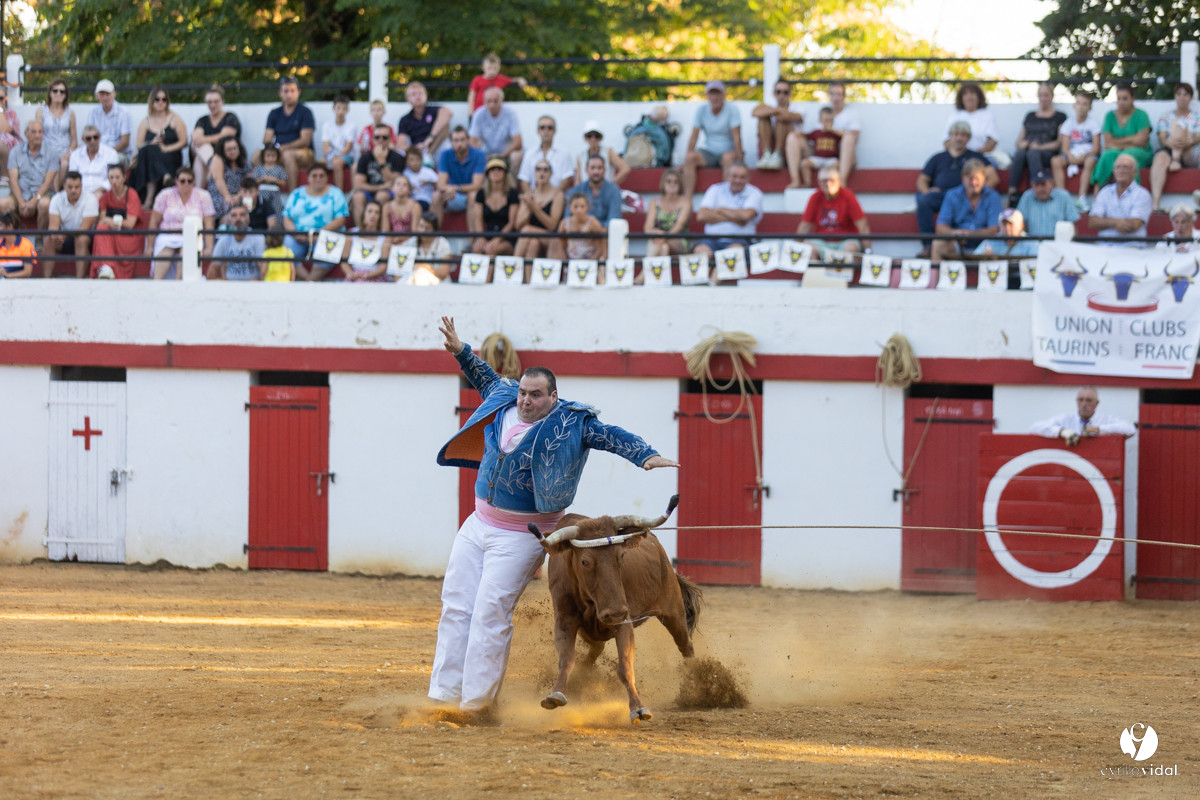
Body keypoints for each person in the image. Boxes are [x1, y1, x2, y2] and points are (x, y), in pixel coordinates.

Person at [429, 316, 677, 716]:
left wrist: (644, 454)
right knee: (456, 604)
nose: (525, 401)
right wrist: (461, 349)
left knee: (491, 609)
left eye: (536, 395)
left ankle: (475, 705)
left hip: (524, 533)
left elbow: (610, 435)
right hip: (477, 524)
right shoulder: (504, 397)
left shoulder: (572, 422)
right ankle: (442, 696)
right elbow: (482, 374)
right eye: (523, 393)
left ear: (554, 397)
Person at [915, 122, 996, 255]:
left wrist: (978, 192)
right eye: (956, 134)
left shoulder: (976, 157)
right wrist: (927, 191)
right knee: (923, 200)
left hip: (966, 196)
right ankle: (928, 245)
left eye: (963, 135)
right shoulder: (938, 158)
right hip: (942, 197)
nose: (959, 138)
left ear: (968, 138)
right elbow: (922, 180)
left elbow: (993, 177)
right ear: (950, 137)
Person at [144, 166, 215, 280]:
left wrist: (209, 247)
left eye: (189, 181)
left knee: (186, 254)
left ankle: (178, 286)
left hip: (192, 237)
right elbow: (154, 222)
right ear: (176, 181)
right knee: (164, 255)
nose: (186, 184)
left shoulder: (203, 196)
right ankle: (156, 285)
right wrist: (149, 246)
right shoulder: (165, 195)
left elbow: (209, 224)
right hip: (167, 235)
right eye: (182, 181)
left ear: (194, 181)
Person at [280, 162, 348, 279]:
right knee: (286, 250)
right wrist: (295, 234)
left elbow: (341, 219)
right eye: (314, 175)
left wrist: (319, 233)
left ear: (327, 177)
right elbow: (286, 217)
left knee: (329, 246)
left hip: (326, 234)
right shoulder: (297, 193)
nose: (318, 179)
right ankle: (309, 281)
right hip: (299, 235)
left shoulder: (336, 193)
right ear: (308, 178)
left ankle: (311, 280)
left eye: (322, 176)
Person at [1089, 83, 1152, 201]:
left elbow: (1142, 141)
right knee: (1107, 155)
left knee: (1126, 157)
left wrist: (1117, 142)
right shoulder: (1109, 116)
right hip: (1116, 152)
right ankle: (1097, 196)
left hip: (1140, 153)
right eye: (1119, 99)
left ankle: (1133, 198)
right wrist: (1132, 139)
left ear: (1133, 99)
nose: (1121, 102)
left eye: (1125, 98)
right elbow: (1107, 143)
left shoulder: (1141, 115)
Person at [932, 158, 1002, 263]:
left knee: (998, 246)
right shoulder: (952, 195)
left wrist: (970, 234)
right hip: (958, 244)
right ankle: (937, 280)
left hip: (985, 244)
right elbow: (940, 227)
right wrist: (955, 233)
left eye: (977, 179)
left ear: (984, 179)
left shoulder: (993, 196)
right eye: (970, 178)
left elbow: (995, 229)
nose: (973, 182)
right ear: (962, 179)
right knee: (938, 243)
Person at [1008, 82, 1066, 207]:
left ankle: (1038, 188)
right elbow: (1018, 142)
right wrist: (1023, 144)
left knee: (1033, 153)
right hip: (1028, 152)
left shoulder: (1060, 116)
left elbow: (1058, 143)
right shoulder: (1030, 116)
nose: (1043, 98)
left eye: (1046, 95)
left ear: (1052, 96)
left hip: (1047, 153)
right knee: (1020, 153)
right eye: (1041, 95)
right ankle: (1011, 192)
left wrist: (1039, 147)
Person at [692, 161, 763, 263]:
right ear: (727, 176)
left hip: (740, 241)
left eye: (742, 177)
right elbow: (702, 216)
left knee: (732, 253)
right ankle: (704, 279)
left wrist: (720, 209)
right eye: (734, 176)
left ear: (748, 178)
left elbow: (746, 216)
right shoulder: (715, 189)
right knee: (700, 252)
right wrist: (736, 219)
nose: (737, 180)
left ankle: (712, 280)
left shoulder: (755, 193)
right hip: (711, 240)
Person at [796, 164, 872, 256]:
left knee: (850, 248)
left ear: (839, 181)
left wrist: (868, 251)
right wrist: (795, 247)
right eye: (824, 181)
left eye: (831, 180)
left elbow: (862, 225)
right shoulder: (815, 197)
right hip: (822, 242)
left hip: (845, 241)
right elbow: (805, 226)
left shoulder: (848, 196)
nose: (827, 184)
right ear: (819, 182)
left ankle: (843, 271)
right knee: (807, 248)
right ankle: (817, 271)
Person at [682, 80, 742, 197]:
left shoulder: (732, 110)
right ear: (707, 96)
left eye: (718, 93)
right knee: (690, 158)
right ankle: (687, 199)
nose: (714, 97)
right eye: (711, 94)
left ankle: (727, 197)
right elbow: (694, 137)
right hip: (708, 152)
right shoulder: (701, 110)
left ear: (724, 95)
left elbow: (737, 137)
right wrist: (685, 160)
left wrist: (740, 161)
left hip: (727, 152)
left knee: (728, 157)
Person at [131, 86, 189, 206]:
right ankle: (165, 176)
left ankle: (149, 199)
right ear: (152, 101)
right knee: (150, 150)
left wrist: (166, 148)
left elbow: (184, 142)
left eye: (164, 99)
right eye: (157, 99)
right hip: (151, 158)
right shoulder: (145, 121)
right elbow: (139, 145)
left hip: (170, 157)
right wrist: (152, 144)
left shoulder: (175, 119)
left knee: (151, 153)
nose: (161, 102)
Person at [256, 78, 316, 192]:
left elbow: (305, 141)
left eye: (292, 91)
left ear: (299, 91)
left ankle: (292, 196)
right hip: (279, 151)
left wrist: (283, 148)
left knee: (288, 155)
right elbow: (267, 139)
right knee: (256, 155)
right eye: (286, 91)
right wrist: (270, 149)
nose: (289, 94)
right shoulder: (274, 113)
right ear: (280, 93)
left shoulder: (305, 112)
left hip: (303, 152)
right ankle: (257, 196)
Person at [1150, 82, 1200, 212]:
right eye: (1179, 94)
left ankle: (1176, 160)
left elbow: (1198, 136)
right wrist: (1172, 144)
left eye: (1185, 94)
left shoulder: (1197, 116)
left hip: (1189, 151)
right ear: (1175, 96)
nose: (1182, 97)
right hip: (1169, 149)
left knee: (1179, 125)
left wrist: (1186, 142)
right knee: (1160, 159)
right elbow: (1162, 139)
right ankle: (1155, 205)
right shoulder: (1165, 116)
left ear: (1191, 98)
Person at [91, 163, 144, 279]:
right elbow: (101, 222)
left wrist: (110, 220)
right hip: (111, 234)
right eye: (111, 177)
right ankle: (107, 267)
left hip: (129, 237)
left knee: (102, 234)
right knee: (101, 230)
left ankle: (107, 266)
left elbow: (130, 224)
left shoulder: (131, 194)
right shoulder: (105, 197)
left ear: (124, 178)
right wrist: (110, 222)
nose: (114, 181)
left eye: (117, 177)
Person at [1029, 387, 1136, 445]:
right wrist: (1061, 432)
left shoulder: (1105, 419)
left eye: (1088, 400)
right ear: (1076, 401)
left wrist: (1099, 429)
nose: (1084, 404)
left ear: (1096, 403)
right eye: (1081, 400)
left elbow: (1130, 429)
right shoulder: (1066, 419)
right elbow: (1034, 428)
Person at [1052, 91, 1101, 210]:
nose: (1081, 107)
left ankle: (1081, 198)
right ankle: (1063, 198)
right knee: (1055, 161)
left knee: (1090, 162)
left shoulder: (1094, 124)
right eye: (1078, 103)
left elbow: (1096, 148)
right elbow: (1064, 147)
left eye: (1085, 104)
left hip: (1088, 155)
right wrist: (1070, 156)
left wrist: (1083, 157)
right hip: (1072, 155)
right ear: (1074, 105)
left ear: (1090, 108)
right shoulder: (1068, 124)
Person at [1088, 153, 1152, 246]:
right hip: (1104, 247)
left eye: (1125, 167)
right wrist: (1115, 222)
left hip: (1131, 248)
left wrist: (1105, 221)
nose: (1121, 171)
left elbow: (1134, 225)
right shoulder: (1105, 191)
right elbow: (1093, 222)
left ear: (1135, 172)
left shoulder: (1142, 194)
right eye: (1117, 167)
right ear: (1113, 171)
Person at [45, 171, 98, 279]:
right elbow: (53, 226)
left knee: (81, 239)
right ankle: (46, 280)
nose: (73, 190)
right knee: (49, 240)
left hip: (87, 239)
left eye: (77, 187)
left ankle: (79, 281)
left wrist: (64, 234)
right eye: (70, 187)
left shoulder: (91, 199)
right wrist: (56, 235)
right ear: (64, 186)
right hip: (65, 238)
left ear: (81, 186)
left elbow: (85, 228)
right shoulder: (56, 199)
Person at [5, 120, 58, 227]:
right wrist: (21, 202)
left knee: (45, 204)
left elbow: (48, 183)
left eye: (40, 132)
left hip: (42, 195)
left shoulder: (52, 153)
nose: (38, 135)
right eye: (34, 132)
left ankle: (39, 238)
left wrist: (33, 201)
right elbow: (13, 181)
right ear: (26, 134)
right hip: (20, 194)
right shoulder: (15, 152)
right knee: (2, 204)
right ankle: (10, 238)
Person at [351, 124, 406, 226]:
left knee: (382, 196)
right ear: (372, 139)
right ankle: (362, 230)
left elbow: (394, 183)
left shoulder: (397, 157)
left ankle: (379, 230)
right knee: (358, 197)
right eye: (377, 137)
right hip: (371, 190)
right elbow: (358, 184)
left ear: (390, 139)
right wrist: (380, 187)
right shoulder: (365, 158)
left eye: (384, 137)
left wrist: (382, 162)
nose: (381, 140)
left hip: (388, 192)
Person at [190, 84, 241, 190]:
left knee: (199, 157)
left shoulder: (230, 117)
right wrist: (199, 138)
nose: (212, 105)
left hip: (226, 156)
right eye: (209, 102)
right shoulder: (203, 120)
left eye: (216, 101)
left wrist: (205, 139)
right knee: (199, 151)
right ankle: (212, 168)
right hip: (206, 156)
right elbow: (196, 136)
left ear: (222, 101)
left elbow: (225, 136)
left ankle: (200, 188)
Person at [513, 159, 564, 264]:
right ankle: (528, 280)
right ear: (534, 173)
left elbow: (552, 225)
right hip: (533, 237)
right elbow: (518, 225)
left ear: (551, 174)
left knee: (527, 229)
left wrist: (535, 208)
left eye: (546, 170)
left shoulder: (558, 195)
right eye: (539, 169)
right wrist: (529, 210)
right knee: (533, 244)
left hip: (550, 238)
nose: (542, 172)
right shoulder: (529, 194)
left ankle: (513, 265)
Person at [469, 157, 519, 261]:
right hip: (488, 233)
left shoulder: (513, 194)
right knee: (476, 249)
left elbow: (511, 222)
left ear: (505, 173)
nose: (496, 172)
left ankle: (488, 278)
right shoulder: (481, 194)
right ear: (487, 174)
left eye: (499, 169)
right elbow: (477, 218)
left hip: (507, 237)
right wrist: (481, 237)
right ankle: (475, 277)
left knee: (491, 250)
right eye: (492, 169)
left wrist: (497, 240)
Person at [943, 82, 1003, 168]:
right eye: (965, 94)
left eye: (972, 93)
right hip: (957, 157)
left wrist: (973, 155)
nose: (969, 97)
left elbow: (992, 141)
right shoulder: (955, 115)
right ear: (961, 98)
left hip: (981, 157)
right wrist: (960, 154)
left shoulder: (987, 115)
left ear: (979, 97)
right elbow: (946, 141)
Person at [434, 127, 487, 223]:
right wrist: (449, 189)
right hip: (452, 194)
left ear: (468, 140)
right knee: (436, 196)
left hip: (471, 194)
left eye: (462, 140)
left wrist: (456, 188)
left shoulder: (479, 155)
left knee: (473, 196)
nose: (459, 144)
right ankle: (432, 236)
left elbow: (477, 185)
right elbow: (440, 183)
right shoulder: (445, 155)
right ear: (451, 142)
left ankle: (473, 237)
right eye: (456, 140)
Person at [469, 87, 523, 175]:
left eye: (495, 101)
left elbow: (518, 143)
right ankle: (480, 187)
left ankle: (512, 187)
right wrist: (483, 156)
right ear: (484, 101)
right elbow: (472, 142)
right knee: (473, 156)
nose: (492, 105)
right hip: (485, 155)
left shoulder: (511, 114)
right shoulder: (478, 114)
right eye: (489, 101)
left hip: (506, 154)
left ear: (502, 100)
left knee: (516, 157)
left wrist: (500, 157)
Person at [752, 79, 803, 171]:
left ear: (790, 94)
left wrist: (773, 111)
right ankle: (767, 154)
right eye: (778, 92)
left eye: (785, 92)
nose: (781, 95)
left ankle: (777, 154)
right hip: (770, 145)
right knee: (763, 119)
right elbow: (754, 112)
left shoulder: (798, 107)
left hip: (788, 149)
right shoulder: (771, 106)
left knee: (781, 121)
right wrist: (777, 110)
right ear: (774, 93)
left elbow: (788, 116)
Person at [547, 193, 607, 269]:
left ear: (587, 207)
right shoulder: (564, 224)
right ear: (570, 208)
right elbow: (561, 246)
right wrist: (566, 264)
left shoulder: (593, 223)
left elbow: (600, 248)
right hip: (571, 264)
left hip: (590, 264)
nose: (579, 210)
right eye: (575, 207)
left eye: (582, 207)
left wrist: (590, 264)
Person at [516, 115, 575, 192]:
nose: (546, 131)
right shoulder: (529, 154)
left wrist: (551, 198)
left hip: (557, 199)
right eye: (542, 127)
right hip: (534, 198)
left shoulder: (564, 153)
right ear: (538, 131)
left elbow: (566, 180)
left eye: (549, 128)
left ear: (555, 131)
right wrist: (530, 197)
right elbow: (524, 179)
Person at [1016, 169, 1080, 238]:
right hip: (1033, 244)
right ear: (1032, 185)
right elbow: (1020, 223)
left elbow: (1072, 224)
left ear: (1052, 184)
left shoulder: (1063, 196)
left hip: (1058, 245)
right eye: (1037, 185)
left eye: (1043, 184)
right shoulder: (1027, 197)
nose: (1040, 189)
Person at [35, 79, 76, 185]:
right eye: (55, 91)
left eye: (62, 91)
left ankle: (60, 192)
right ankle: (56, 196)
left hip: (64, 152)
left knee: (64, 164)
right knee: (53, 164)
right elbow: (37, 134)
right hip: (46, 150)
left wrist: (68, 153)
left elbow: (74, 139)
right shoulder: (41, 111)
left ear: (66, 95)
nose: (58, 94)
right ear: (50, 93)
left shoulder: (70, 113)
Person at [643, 168, 690, 257]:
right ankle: (657, 270)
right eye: (669, 181)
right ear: (663, 183)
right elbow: (648, 226)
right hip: (658, 239)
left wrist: (665, 236)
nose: (672, 184)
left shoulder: (685, 202)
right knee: (664, 247)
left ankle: (645, 270)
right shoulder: (654, 202)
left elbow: (680, 225)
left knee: (660, 244)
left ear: (680, 185)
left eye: (676, 182)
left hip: (677, 239)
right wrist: (655, 233)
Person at [211, 203, 265, 281]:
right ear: (229, 221)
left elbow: (263, 269)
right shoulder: (224, 238)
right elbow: (213, 268)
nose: (238, 219)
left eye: (242, 215)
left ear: (248, 220)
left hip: (252, 287)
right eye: (234, 216)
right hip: (229, 287)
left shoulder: (258, 238)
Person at [397, 81, 453, 157]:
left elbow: (448, 113)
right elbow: (400, 144)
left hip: (435, 148)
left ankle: (428, 156)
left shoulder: (433, 111)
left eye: (420, 93)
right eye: (414, 94)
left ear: (426, 95)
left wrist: (429, 138)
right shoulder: (405, 119)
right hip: (416, 153)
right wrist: (416, 148)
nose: (418, 97)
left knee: (445, 126)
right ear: (408, 99)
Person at [566, 155, 622, 227]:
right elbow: (568, 219)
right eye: (592, 168)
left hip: (604, 235)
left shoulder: (613, 191)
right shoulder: (577, 190)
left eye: (599, 168)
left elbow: (614, 221)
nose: (596, 172)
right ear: (587, 170)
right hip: (580, 233)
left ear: (605, 169)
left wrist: (594, 227)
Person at [340, 199, 389, 282]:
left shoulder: (385, 237)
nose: (373, 215)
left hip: (374, 277)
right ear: (364, 214)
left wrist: (365, 276)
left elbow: (383, 267)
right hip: (354, 276)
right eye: (370, 211)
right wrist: (350, 274)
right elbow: (344, 261)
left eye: (377, 212)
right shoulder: (352, 234)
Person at [86, 79, 132, 167]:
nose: (105, 98)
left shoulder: (124, 113)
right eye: (102, 95)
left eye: (107, 94)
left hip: (118, 154)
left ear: (114, 94)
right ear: (96, 96)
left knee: (112, 160)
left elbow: (124, 143)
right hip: (97, 153)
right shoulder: (93, 113)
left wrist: (105, 154)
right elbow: (89, 137)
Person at [795, 106, 842, 189]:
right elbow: (807, 135)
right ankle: (808, 183)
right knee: (804, 163)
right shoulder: (816, 132)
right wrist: (800, 133)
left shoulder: (835, 134)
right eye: (826, 120)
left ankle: (836, 184)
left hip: (831, 159)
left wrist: (832, 130)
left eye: (830, 120)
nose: (828, 123)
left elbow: (846, 136)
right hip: (818, 158)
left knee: (838, 165)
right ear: (820, 120)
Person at [207, 136, 252, 221]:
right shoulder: (218, 159)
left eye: (235, 148)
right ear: (223, 151)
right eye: (229, 149)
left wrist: (239, 195)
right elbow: (218, 179)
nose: (233, 151)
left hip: (239, 195)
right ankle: (223, 229)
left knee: (249, 203)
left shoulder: (243, 163)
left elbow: (249, 181)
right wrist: (227, 197)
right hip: (221, 195)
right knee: (228, 206)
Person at [400, 211, 453, 284]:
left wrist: (423, 266)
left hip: (437, 282)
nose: (423, 231)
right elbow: (399, 270)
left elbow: (444, 272)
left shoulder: (443, 243)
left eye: (427, 228)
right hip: (412, 282)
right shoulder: (410, 243)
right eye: (421, 226)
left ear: (434, 230)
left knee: (421, 275)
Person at [573, 121, 630, 187]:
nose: (593, 139)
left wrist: (611, 185)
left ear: (600, 138)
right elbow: (578, 181)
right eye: (589, 136)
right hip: (586, 194)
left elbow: (625, 168)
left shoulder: (608, 152)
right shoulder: (581, 156)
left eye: (596, 136)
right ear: (585, 138)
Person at [67, 125, 118, 197]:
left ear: (100, 137)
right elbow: (72, 177)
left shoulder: (111, 154)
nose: (92, 141)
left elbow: (113, 179)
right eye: (88, 138)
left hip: (102, 192)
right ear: (83, 139)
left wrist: (94, 193)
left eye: (95, 137)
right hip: (79, 193)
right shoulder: (75, 155)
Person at [320, 95, 357, 192]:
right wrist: (329, 155)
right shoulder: (327, 125)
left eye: (344, 109)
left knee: (337, 163)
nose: (341, 111)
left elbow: (347, 148)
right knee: (319, 163)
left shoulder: (351, 126)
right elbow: (325, 146)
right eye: (338, 108)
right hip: (331, 156)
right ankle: (321, 192)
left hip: (346, 156)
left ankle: (338, 193)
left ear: (347, 110)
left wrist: (335, 157)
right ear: (333, 108)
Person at [973, 208, 1038, 258]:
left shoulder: (1031, 242)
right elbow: (974, 256)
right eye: (1004, 224)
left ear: (1021, 225)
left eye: (1010, 224)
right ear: (999, 226)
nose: (1007, 228)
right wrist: (982, 256)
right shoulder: (991, 241)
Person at [251, 145, 288, 216]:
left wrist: (275, 180)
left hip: (275, 194)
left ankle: (277, 225)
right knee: (262, 210)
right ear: (263, 156)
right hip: (261, 193)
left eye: (273, 156)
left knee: (277, 210)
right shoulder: (259, 168)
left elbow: (284, 182)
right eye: (268, 155)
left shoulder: (280, 169)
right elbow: (253, 182)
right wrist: (263, 179)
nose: (270, 158)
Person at [385, 174, 423, 242]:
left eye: (405, 185)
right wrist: (393, 240)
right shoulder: (387, 206)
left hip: (410, 242)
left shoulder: (415, 206)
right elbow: (385, 231)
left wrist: (400, 239)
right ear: (392, 188)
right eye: (398, 184)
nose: (401, 187)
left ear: (409, 190)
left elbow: (415, 232)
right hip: (392, 242)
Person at [403, 148, 439, 212]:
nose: (415, 163)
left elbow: (440, 182)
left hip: (427, 200)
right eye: (411, 160)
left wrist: (429, 182)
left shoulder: (428, 171)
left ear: (422, 160)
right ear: (407, 162)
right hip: (411, 201)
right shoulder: (405, 173)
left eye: (417, 159)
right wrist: (409, 187)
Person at [0, 211, 34, 278]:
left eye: (0, 225)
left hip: (22, 285)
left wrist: (7, 276)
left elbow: (27, 272)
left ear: (10, 227)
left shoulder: (25, 244)